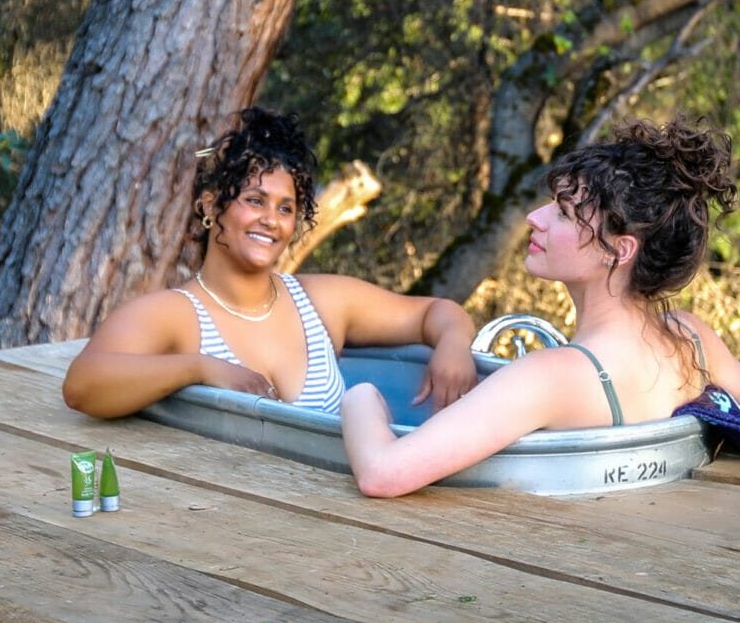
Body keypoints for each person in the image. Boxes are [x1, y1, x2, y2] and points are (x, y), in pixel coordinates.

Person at [341, 117, 740, 498]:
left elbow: (383, 474)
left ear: (618, 251)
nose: (535, 218)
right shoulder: (692, 336)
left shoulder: (554, 375)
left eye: (563, 213)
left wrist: (358, 396)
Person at [62, 107, 480, 418]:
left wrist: (453, 345)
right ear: (212, 206)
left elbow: (438, 313)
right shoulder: (176, 315)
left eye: (285, 208)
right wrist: (199, 368)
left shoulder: (323, 302)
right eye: (254, 201)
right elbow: (83, 386)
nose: (270, 220)